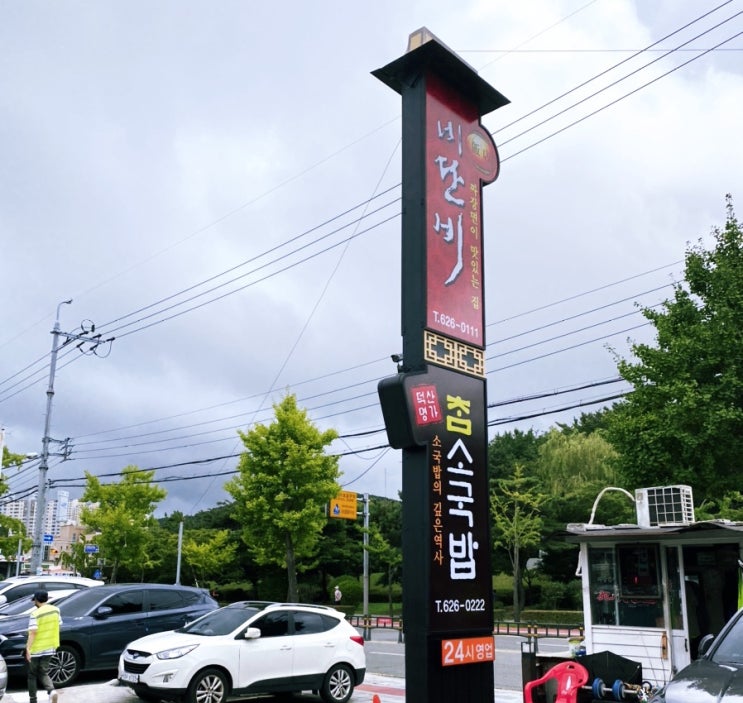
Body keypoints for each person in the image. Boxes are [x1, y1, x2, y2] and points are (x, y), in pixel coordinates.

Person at [26, 590, 61, 703]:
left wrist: (27, 649)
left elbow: (33, 633)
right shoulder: (56, 610)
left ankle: (33, 700)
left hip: (36, 648)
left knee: (32, 675)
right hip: (50, 646)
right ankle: (51, 691)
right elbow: (59, 625)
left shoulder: (35, 614)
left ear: (36, 600)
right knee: (43, 672)